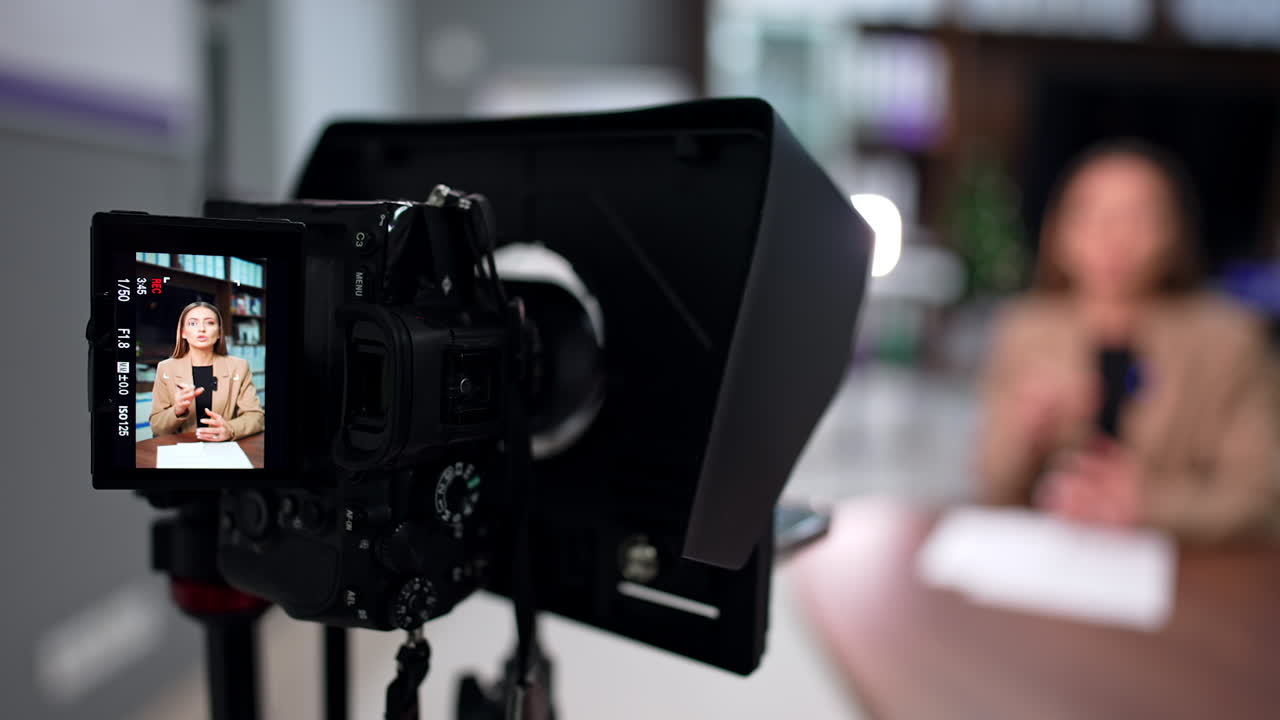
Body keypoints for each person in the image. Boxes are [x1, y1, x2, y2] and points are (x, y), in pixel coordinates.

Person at [976, 140, 1280, 542]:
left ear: (1175, 233)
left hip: (1183, 569)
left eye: (1137, 216)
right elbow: (991, 485)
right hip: (1051, 554)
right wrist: (1025, 435)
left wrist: (1152, 504)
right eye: (1091, 215)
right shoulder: (1026, 330)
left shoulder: (1230, 340)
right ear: (1059, 233)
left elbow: (1261, 497)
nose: (1112, 236)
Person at [149, 301, 264, 441]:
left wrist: (231, 429)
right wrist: (177, 410)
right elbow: (157, 426)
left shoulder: (239, 367)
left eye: (209, 323)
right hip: (181, 450)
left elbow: (256, 417)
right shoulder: (166, 368)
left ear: (219, 333)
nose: (201, 329)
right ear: (183, 333)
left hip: (223, 449)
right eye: (193, 323)